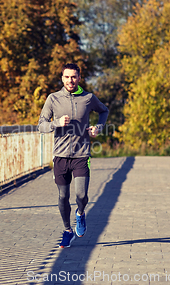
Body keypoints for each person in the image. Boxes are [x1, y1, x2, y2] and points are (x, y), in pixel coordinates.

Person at [37, 63, 109, 248]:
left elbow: (104, 111)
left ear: (79, 78)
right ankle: (67, 230)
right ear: (62, 78)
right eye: (67, 77)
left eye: (74, 77)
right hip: (60, 155)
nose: (70, 80)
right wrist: (56, 123)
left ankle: (81, 213)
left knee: (81, 194)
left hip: (81, 153)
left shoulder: (88, 98)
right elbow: (41, 125)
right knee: (62, 197)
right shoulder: (53, 99)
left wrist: (98, 127)